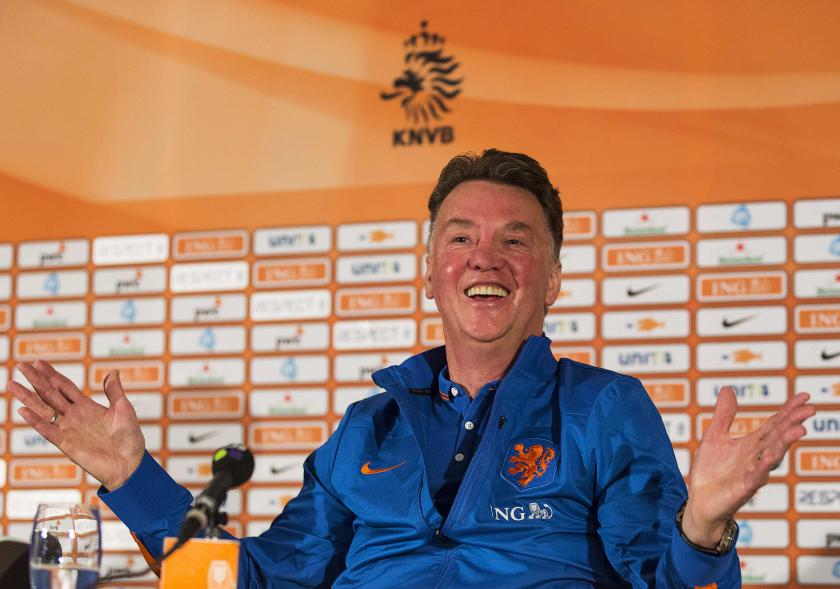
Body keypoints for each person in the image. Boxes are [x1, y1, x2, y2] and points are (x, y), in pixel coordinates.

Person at [10, 149, 815, 588]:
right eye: (461, 237)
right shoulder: (369, 427)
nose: (484, 257)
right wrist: (133, 476)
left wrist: (704, 528)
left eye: (516, 240)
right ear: (431, 271)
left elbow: (669, 584)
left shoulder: (603, 407)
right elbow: (257, 579)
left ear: (553, 280)